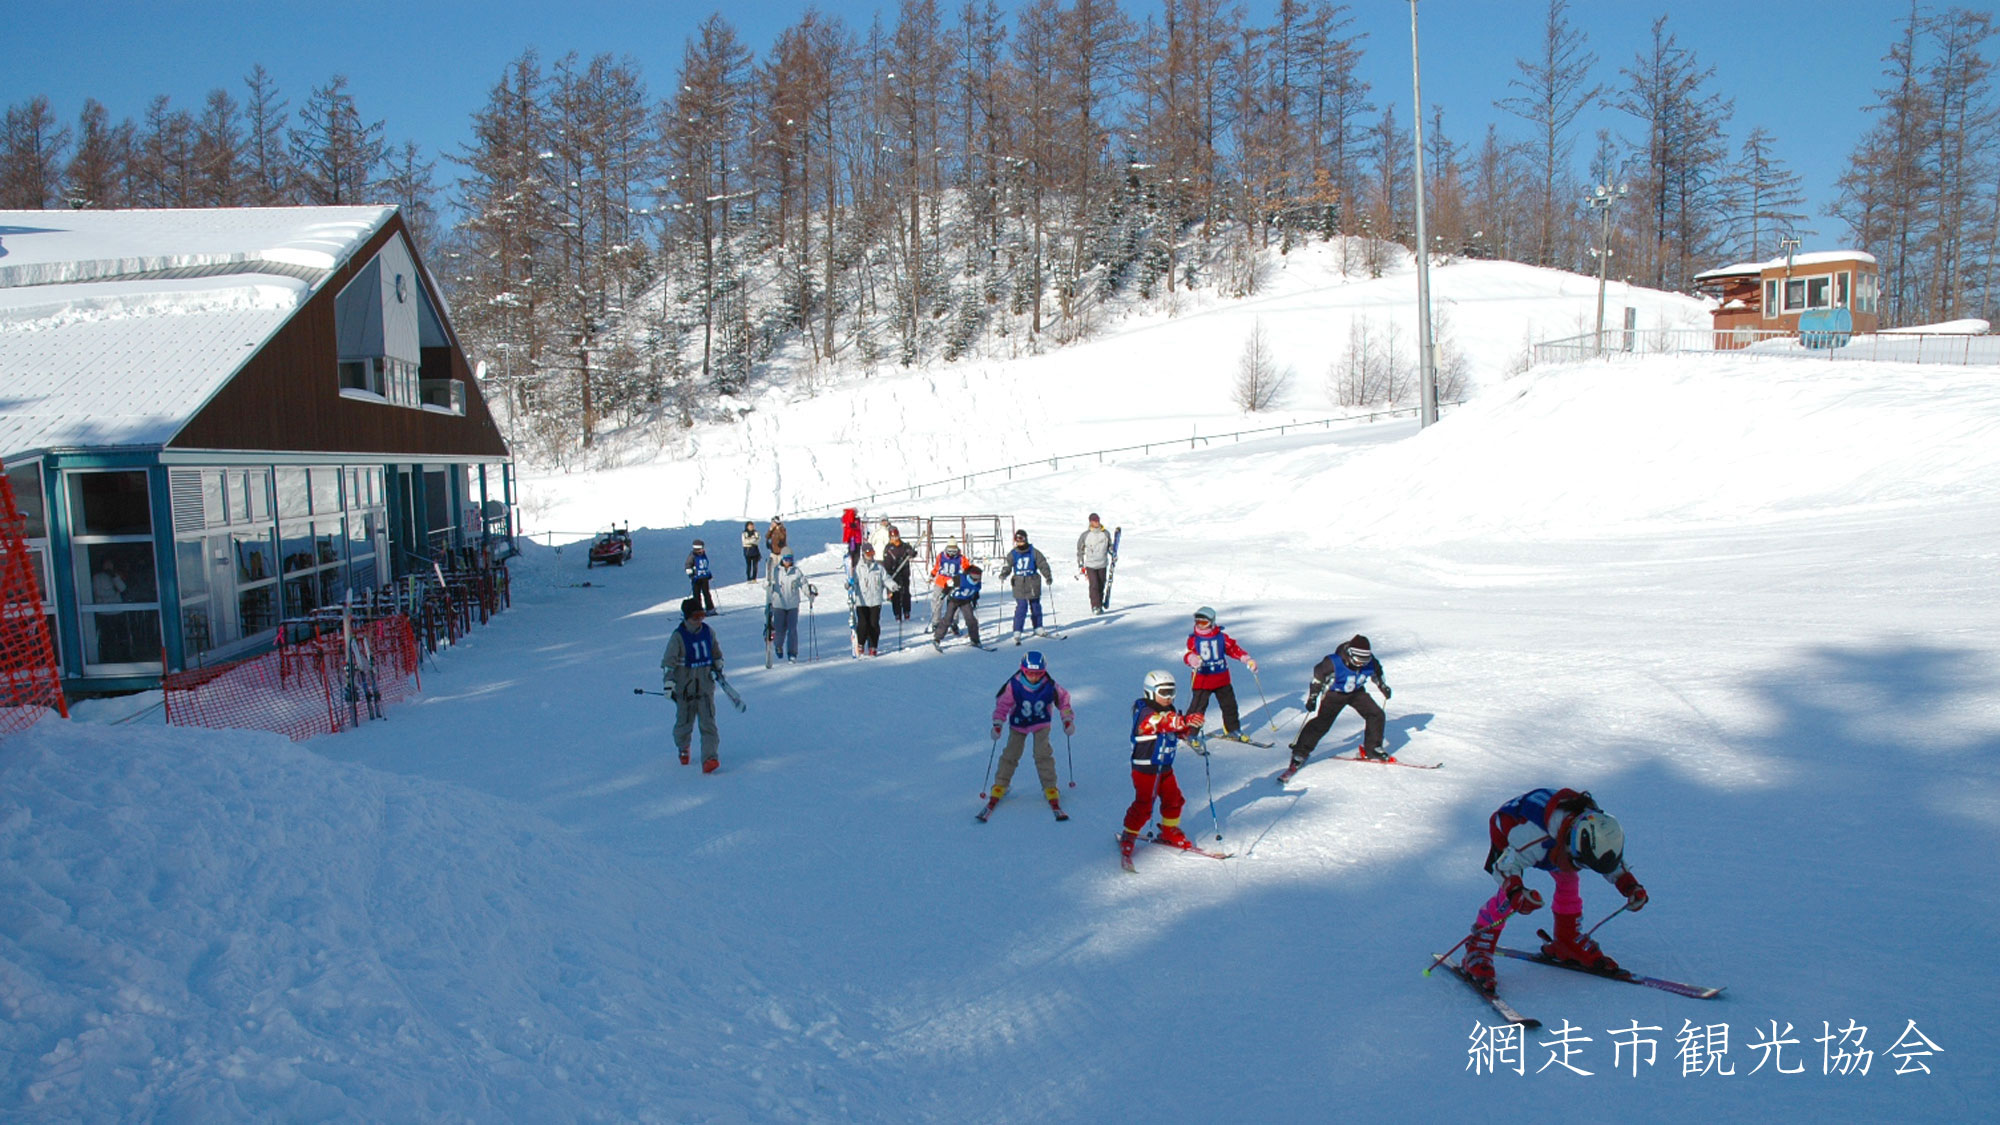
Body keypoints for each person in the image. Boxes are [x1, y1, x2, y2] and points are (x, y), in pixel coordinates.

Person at [1459, 788, 1650, 993]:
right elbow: (1504, 867)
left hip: (1558, 843)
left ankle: (1566, 938)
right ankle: (1479, 945)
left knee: (1568, 878)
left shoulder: (1597, 829)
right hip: (1509, 832)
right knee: (1506, 897)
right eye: (1582, 861)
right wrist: (1516, 892)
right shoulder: (1533, 837)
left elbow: (1609, 859)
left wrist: (1628, 885)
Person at [1118, 669, 1206, 864]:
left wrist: (1187, 727)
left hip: (1165, 766)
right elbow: (1159, 723)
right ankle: (1129, 834)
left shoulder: (1170, 710)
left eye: (1172, 692)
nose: (1169, 697)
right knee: (1144, 804)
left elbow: (1174, 729)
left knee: (1174, 799)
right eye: (1164, 692)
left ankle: (1169, 829)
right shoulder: (1145, 712)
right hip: (1145, 768)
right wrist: (1181, 721)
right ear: (1150, 692)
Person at [988, 651, 1075, 815]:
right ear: (1022, 670)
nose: (1034, 677)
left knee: (1042, 755)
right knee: (1010, 754)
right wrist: (998, 723)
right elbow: (1003, 704)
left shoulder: (1050, 685)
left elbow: (1064, 700)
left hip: (1041, 723)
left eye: (1038, 673)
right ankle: (1000, 784)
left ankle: (1050, 787)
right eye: (1029, 673)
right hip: (1018, 724)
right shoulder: (1013, 684)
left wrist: (1067, 719)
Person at [1285, 634, 1392, 768]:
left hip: (1357, 693)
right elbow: (1318, 679)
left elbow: (1377, 672)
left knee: (1376, 714)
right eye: (1358, 661)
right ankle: (1300, 752)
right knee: (1322, 723)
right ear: (1350, 655)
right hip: (1334, 694)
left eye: (1364, 661)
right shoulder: (1333, 662)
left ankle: (1373, 748)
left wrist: (1383, 686)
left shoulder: (1370, 661)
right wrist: (1313, 697)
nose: (1361, 664)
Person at [661, 598, 726, 773]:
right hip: (685, 688)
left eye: (702, 615)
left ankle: (710, 758)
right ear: (687, 617)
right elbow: (669, 662)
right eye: (695, 616)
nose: (699, 620)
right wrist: (669, 682)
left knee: (708, 723)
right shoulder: (678, 637)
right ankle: (683, 747)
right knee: (684, 723)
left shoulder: (708, 632)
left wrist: (718, 665)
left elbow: (716, 652)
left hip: (705, 686)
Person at [1183, 606, 1257, 740]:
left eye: (1204, 623)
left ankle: (1232, 729)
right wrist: (1192, 659)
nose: (1200, 626)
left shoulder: (1221, 638)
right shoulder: (1194, 639)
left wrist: (1247, 659)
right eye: (1198, 622)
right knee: (1198, 708)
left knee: (1230, 706)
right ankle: (1190, 732)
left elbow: (1233, 649)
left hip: (1221, 679)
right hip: (1202, 681)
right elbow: (1188, 654)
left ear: (1212, 622)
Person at [1005, 529, 1054, 642]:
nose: (1020, 543)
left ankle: (1038, 627)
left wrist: (1048, 576)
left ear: (1026, 539)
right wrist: (1004, 573)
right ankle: (1017, 630)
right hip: (1019, 583)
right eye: (1017, 540)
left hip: (1032, 582)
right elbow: (1007, 565)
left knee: (1035, 605)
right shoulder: (1013, 553)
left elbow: (1042, 564)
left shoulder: (1034, 552)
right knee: (1021, 607)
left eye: (1021, 540)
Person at [766, 552, 815, 663]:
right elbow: (769, 584)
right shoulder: (776, 571)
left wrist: (809, 594)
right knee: (779, 630)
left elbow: (803, 584)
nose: (788, 562)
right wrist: (767, 586)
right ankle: (778, 646)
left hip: (792, 605)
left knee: (792, 630)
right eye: (786, 559)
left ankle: (792, 653)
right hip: (779, 605)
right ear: (782, 559)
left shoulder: (796, 572)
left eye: (790, 559)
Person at [851, 542, 898, 656]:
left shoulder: (879, 568)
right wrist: (850, 585)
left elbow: (886, 578)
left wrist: (892, 585)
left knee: (874, 624)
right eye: (868, 553)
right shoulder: (858, 569)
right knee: (863, 624)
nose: (871, 556)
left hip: (875, 601)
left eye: (872, 553)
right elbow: (854, 581)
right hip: (862, 601)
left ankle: (873, 646)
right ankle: (861, 643)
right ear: (864, 554)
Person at [932, 560, 983, 649]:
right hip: (954, 600)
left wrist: (974, 601)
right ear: (969, 576)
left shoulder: (978, 584)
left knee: (971, 620)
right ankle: (937, 638)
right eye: (974, 578)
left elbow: (975, 592)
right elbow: (948, 585)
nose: (976, 580)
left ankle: (975, 640)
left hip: (965, 601)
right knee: (948, 619)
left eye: (978, 578)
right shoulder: (959, 579)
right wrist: (944, 593)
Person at [1077, 514, 1114, 614]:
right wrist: (1081, 564)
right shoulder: (1085, 535)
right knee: (1094, 585)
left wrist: (1113, 553)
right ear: (1090, 522)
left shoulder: (1105, 533)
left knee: (1101, 584)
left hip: (1102, 563)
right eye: (1094, 521)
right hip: (1090, 565)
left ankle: (1100, 604)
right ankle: (1095, 606)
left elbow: (1110, 546)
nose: (1096, 522)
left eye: (1098, 520)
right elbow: (1080, 550)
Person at [881, 526, 918, 623]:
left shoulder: (904, 546)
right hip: (894, 574)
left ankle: (907, 612)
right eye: (893, 537)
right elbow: (887, 563)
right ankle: (897, 614)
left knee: (906, 593)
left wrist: (911, 553)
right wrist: (891, 570)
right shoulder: (888, 548)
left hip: (904, 573)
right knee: (896, 595)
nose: (895, 539)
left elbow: (912, 553)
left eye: (896, 537)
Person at [929, 540, 967, 632]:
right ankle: (935, 622)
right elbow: (937, 567)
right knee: (937, 602)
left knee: (954, 603)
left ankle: (953, 622)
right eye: (950, 549)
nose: (952, 552)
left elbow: (966, 568)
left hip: (954, 583)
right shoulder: (941, 556)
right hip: (941, 582)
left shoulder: (961, 558)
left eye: (954, 549)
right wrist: (932, 575)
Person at [684, 540, 717, 613]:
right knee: (697, 595)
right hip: (696, 578)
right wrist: (691, 574)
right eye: (702, 548)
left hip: (704, 577)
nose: (703, 549)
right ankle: (698, 610)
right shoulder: (692, 556)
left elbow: (705, 566)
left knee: (707, 593)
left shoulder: (703, 555)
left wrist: (709, 575)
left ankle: (710, 609)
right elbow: (688, 565)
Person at [840, 507, 865, 573]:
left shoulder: (850, 518)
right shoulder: (853, 519)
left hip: (854, 539)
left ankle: (853, 567)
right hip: (854, 539)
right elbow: (855, 526)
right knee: (854, 554)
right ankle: (853, 568)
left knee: (854, 554)